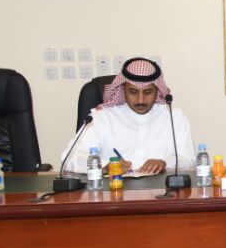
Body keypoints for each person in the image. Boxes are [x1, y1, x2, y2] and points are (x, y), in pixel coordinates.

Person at [62, 58, 195, 175]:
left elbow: (189, 159)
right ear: (123, 89)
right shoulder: (103, 117)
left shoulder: (173, 116)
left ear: (157, 90)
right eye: (133, 92)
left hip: (162, 191)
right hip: (114, 190)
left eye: (148, 92)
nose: (140, 100)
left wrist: (165, 163)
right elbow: (69, 158)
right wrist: (105, 166)